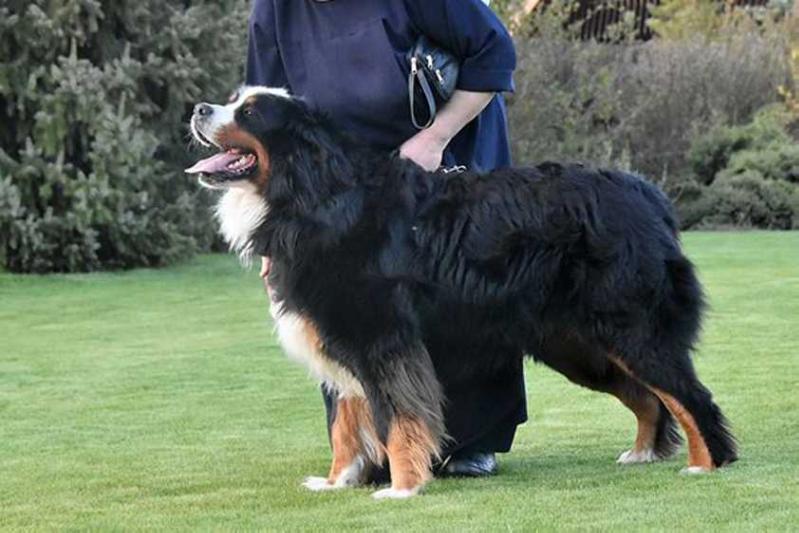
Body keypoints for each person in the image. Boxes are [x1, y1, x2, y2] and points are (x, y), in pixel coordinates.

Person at [246, 0, 527, 477]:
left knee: (460, 297)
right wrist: (276, 239)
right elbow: (268, 122)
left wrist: (434, 139)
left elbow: (493, 53)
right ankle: (370, 447)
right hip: (343, 191)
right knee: (352, 316)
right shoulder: (273, 9)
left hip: (441, 154)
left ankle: (472, 441)